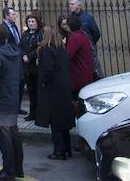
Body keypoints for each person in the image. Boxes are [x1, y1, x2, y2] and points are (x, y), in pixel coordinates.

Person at [0, 24, 24, 181]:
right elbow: (20, 75)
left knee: (3, 136)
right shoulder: (14, 52)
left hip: (0, 100)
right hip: (12, 98)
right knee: (13, 134)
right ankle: (17, 168)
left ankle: (8, 171)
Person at [35, 25, 74, 160]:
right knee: (63, 119)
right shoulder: (62, 49)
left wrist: (44, 82)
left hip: (53, 88)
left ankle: (59, 151)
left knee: (55, 121)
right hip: (64, 87)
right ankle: (67, 148)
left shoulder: (46, 50)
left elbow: (48, 70)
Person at [68, 0, 102, 79]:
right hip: (75, 49)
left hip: (88, 48)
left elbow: (96, 33)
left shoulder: (87, 18)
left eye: (72, 4)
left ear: (79, 5)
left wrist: (90, 43)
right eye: (69, 4)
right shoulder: (70, 18)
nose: (70, 6)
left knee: (92, 69)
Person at [19, 13, 43, 121]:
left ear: (37, 22)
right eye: (29, 22)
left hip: (36, 66)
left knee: (38, 91)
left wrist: (29, 56)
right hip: (27, 68)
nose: (31, 23)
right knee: (31, 91)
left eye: (33, 21)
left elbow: (40, 48)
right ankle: (32, 113)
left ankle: (39, 113)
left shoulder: (41, 34)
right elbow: (21, 46)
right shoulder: (25, 34)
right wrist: (23, 55)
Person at [65, 15, 94, 103]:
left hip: (78, 73)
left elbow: (68, 55)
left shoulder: (74, 37)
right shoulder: (82, 34)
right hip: (85, 71)